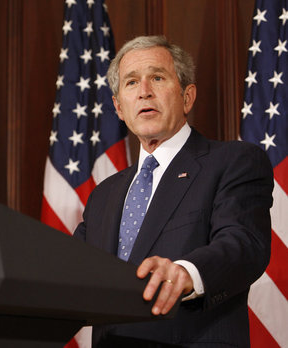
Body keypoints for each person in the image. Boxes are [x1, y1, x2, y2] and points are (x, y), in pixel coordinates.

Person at [73, 35, 273, 347]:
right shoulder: (104, 195)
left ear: (187, 97)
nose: (144, 92)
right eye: (131, 82)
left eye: (157, 77)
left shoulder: (233, 162)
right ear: (118, 107)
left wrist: (186, 272)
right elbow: (73, 272)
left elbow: (243, 244)